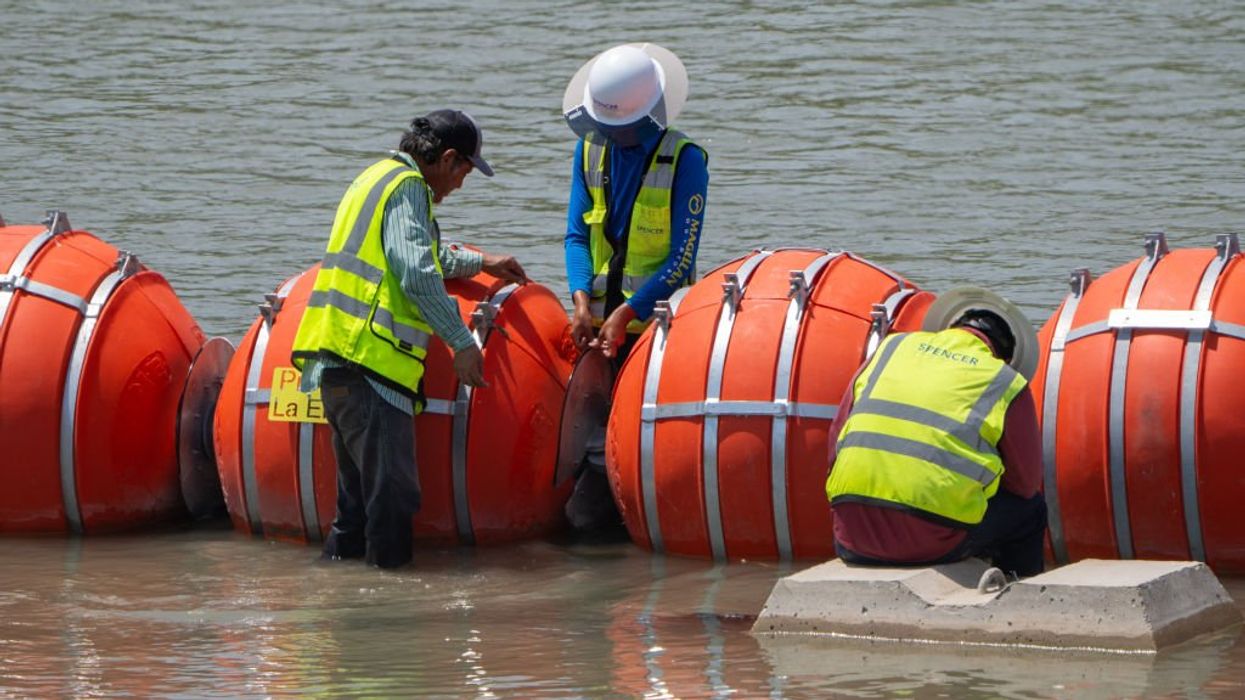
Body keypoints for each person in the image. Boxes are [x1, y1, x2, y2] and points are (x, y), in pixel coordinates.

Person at [291, 110, 527, 569]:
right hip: (372, 365)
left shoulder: (374, 177)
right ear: (448, 158)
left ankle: (339, 600)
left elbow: (420, 251)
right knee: (392, 502)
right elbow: (416, 272)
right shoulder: (410, 188)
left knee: (355, 508)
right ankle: (386, 617)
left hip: (333, 357)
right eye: (463, 172)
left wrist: (480, 262)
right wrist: (461, 343)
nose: (460, 185)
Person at [560, 43, 710, 532]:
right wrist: (581, 301)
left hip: (656, 330)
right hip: (597, 327)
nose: (614, 139)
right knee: (586, 444)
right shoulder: (588, 148)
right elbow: (577, 234)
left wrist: (628, 315)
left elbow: (680, 260)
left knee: (636, 444)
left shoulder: (686, 160)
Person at [824, 308, 1048, 577]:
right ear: (1006, 357)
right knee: (1030, 511)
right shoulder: (1005, 381)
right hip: (931, 543)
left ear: (948, 328)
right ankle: (1014, 599)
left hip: (850, 535)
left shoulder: (890, 349)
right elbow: (1026, 484)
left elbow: (836, 438)